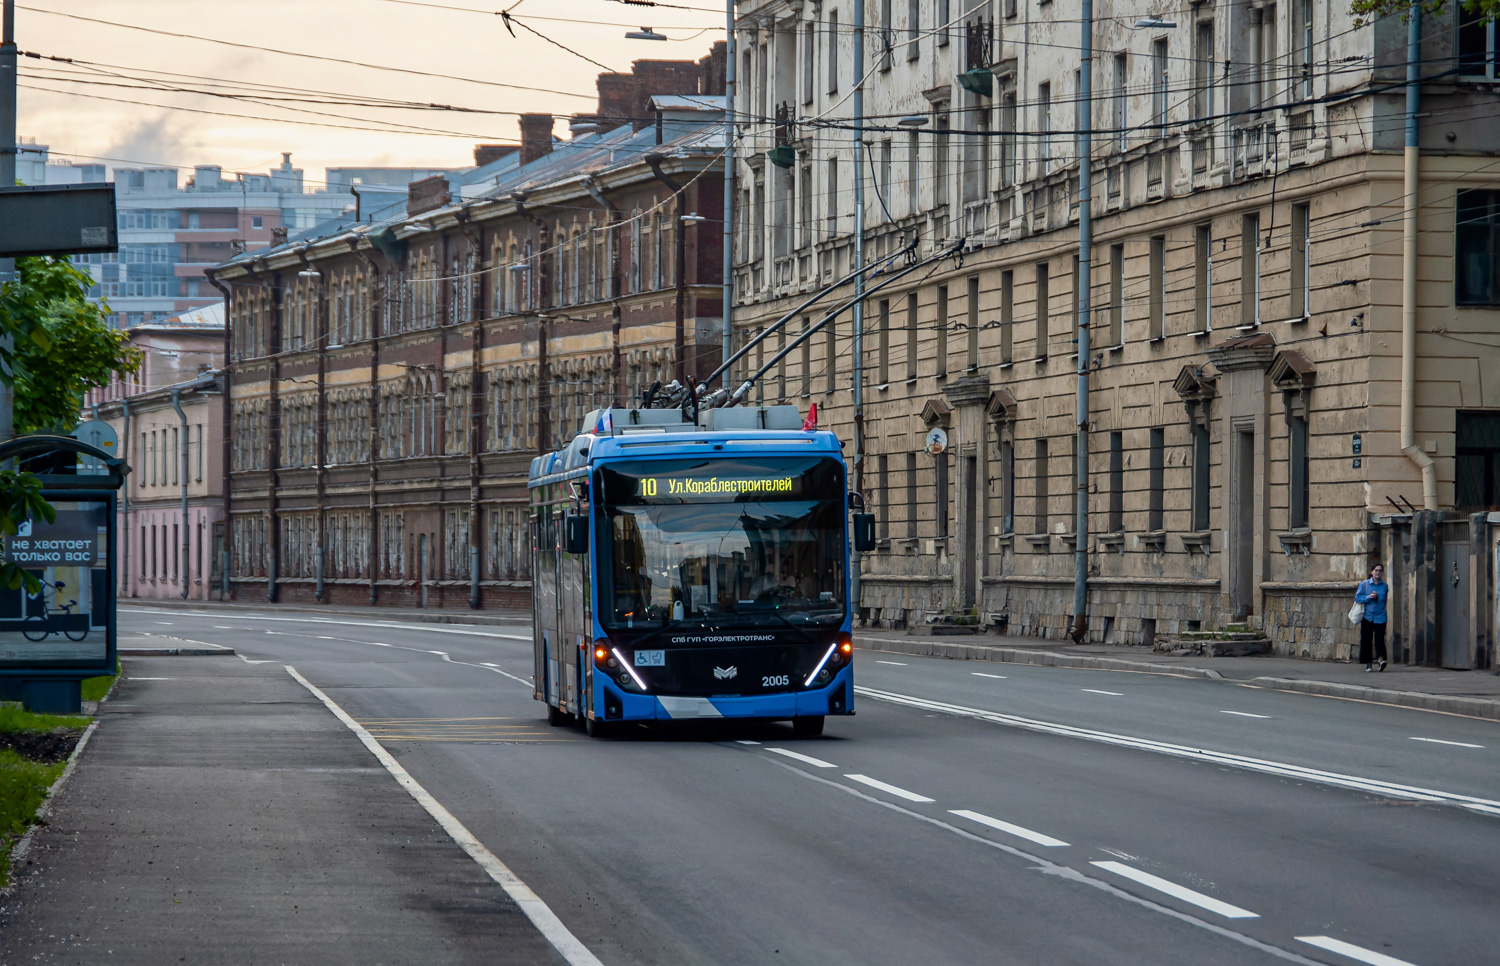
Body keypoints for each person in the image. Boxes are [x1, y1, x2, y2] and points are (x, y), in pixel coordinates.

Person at [1355, 563, 1389, 672]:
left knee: (1379, 639)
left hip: (1381, 616)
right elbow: (1358, 598)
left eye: (1380, 571)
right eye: (1376, 570)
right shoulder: (1364, 584)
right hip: (1367, 616)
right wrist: (1369, 597)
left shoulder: (1384, 586)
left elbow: (1384, 600)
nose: (1378, 572)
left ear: (1382, 573)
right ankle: (1368, 663)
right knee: (1367, 640)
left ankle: (1381, 660)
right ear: (1372, 572)